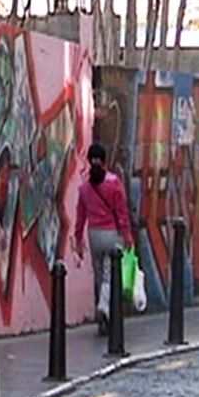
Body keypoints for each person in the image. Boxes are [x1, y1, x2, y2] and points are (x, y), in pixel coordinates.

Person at [74, 142, 134, 335]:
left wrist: (78, 240)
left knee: (99, 275)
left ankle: (103, 314)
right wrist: (127, 235)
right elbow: (122, 213)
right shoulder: (114, 183)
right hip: (111, 234)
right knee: (109, 274)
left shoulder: (84, 187)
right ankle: (104, 307)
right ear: (105, 159)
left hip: (93, 234)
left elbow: (80, 216)